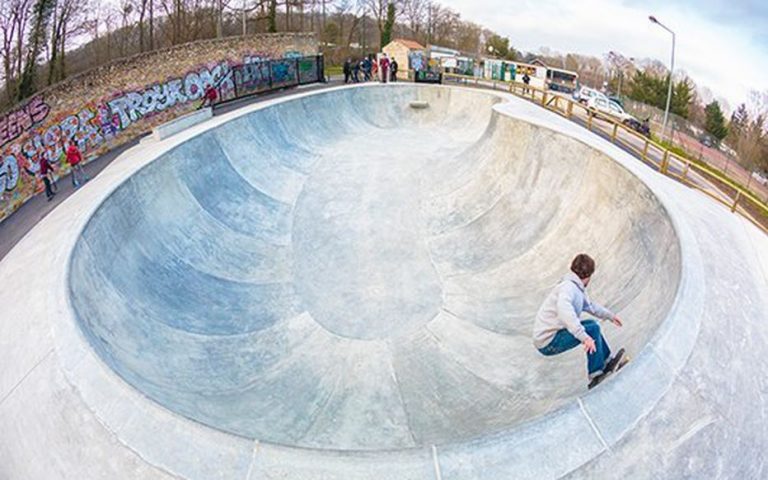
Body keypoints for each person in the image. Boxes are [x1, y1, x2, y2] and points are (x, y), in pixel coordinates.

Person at [533, 254, 626, 389]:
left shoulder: (576, 287)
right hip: (548, 342)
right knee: (592, 329)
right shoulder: (568, 288)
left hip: (552, 335)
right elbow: (564, 311)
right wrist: (584, 337)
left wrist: (610, 316)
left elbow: (591, 307)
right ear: (588, 276)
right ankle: (595, 374)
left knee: (592, 325)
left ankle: (607, 361)